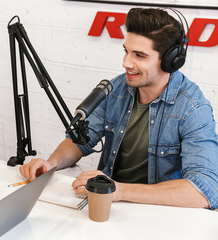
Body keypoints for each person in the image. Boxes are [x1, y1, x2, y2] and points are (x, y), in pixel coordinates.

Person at [20, 8, 218, 210]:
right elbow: (81, 140)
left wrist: (120, 190)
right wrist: (50, 164)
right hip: (109, 204)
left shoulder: (193, 109)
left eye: (139, 55)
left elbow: (205, 190)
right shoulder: (116, 89)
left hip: (158, 212)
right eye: (126, 51)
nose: (126, 63)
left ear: (171, 61)